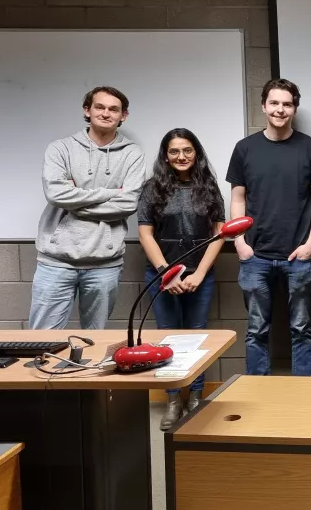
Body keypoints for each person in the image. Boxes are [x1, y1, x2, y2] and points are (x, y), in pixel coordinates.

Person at [226, 79, 311, 377]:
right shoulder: (245, 148)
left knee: (302, 328)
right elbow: (237, 199)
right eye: (274, 103)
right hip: (255, 256)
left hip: (299, 256)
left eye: (287, 104)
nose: (280, 110)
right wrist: (239, 242)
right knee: (257, 329)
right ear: (264, 106)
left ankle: (302, 393)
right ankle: (258, 391)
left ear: (294, 108)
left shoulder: (310, 148)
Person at [28, 86, 145, 330]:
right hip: (55, 262)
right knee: (42, 339)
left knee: (94, 340)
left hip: (104, 263)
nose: (106, 113)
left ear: (123, 115)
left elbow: (129, 203)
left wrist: (76, 202)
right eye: (99, 107)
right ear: (87, 110)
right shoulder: (60, 149)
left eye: (114, 109)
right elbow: (56, 194)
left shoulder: (132, 154)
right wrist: (111, 193)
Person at [137, 128, 226, 430]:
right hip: (162, 276)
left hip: (199, 276)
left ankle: (196, 398)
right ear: (165, 155)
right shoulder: (152, 188)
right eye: (174, 151)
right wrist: (166, 272)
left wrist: (200, 273)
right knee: (168, 337)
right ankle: (173, 399)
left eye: (187, 150)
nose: (181, 156)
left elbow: (219, 234)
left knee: (198, 336)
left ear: (196, 153)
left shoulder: (209, 187)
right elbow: (145, 234)